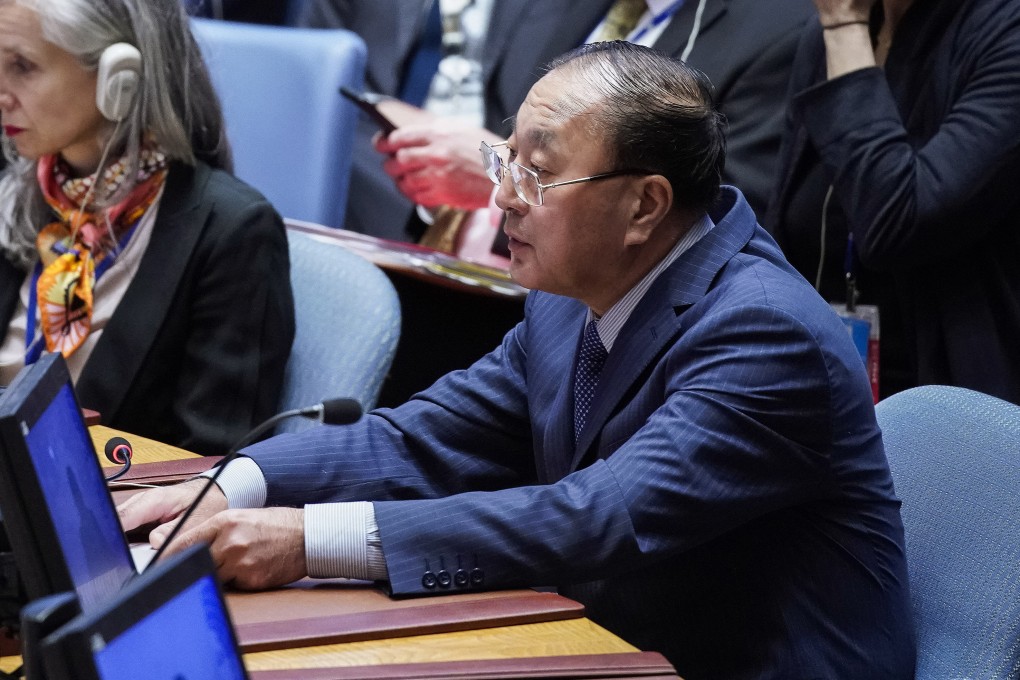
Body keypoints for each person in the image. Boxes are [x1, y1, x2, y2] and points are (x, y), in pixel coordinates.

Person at [119, 42, 914, 678]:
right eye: (506, 162)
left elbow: (598, 514)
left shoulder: (767, 339)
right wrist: (233, 483)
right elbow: (420, 439)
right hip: (607, 643)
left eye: (537, 172)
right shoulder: (571, 296)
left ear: (645, 205)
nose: (501, 198)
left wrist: (307, 540)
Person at [0, 0, 295, 455]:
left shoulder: (232, 233)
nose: (2, 92)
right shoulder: (11, 192)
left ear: (120, 77)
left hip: (94, 515)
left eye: (22, 66)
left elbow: (210, 474)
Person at [299, 0, 816, 241]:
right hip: (484, 267)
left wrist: (496, 172)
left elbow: (719, 213)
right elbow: (512, 125)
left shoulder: (779, 30)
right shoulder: (565, 8)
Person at [765, 0, 1020, 403]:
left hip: (950, 407)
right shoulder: (827, 34)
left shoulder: (1006, 31)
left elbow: (896, 223)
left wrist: (844, 26)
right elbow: (784, 224)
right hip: (817, 381)